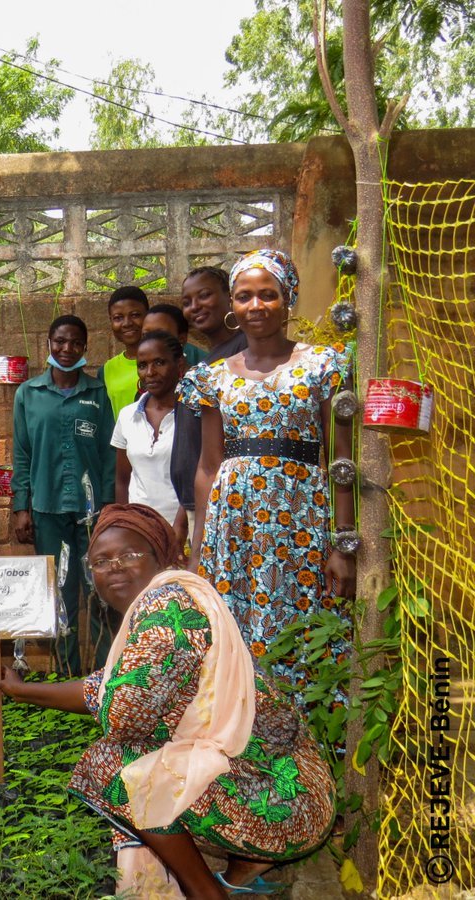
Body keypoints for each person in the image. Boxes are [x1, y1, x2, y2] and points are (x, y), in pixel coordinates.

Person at [0, 504, 336, 899]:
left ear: (161, 557)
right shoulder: (176, 597)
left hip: (287, 806)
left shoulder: (166, 610)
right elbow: (105, 688)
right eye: (101, 561)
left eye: (130, 555)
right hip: (291, 791)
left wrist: (109, 704)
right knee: (152, 754)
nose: (114, 567)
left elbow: (121, 712)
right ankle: (245, 866)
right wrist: (21, 690)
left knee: (114, 765)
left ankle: (205, 892)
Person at [182, 250, 355, 698]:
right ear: (232, 307)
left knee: (303, 626)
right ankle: (246, 741)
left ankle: (309, 747)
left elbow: (339, 459)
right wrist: (199, 549)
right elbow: (207, 465)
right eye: (244, 296)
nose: (255, 305)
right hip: (232, 525)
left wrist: (343, 541)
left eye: (267, 295)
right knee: (235, 631)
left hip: (300, 523)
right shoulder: (212, 376)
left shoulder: (322, 365)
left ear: (288, 300)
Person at [11, 315, 115, 675]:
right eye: (59, 341)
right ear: (49, 343)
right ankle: (66, 677)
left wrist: (110, 510)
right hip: (47, 510)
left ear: (85, 347)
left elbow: (108, 454)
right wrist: (21, 507)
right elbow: (22, 454)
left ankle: (102, 679)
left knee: (100, 593)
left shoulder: (98, 394)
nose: (66, 349)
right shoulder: (28, 394)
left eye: (74, 342)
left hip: (94, 516)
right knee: (59, 597)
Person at [171, 267, 249, 539]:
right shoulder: (207, 362)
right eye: (187, 302)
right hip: (199, 503)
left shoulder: (244, 352)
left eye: (204, 296)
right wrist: (184, 512)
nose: (195, 307)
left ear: (230, 296)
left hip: (227, 502)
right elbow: (194, 446)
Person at [111, 331, 187, 550]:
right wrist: (124, 524)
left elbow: (196, 479)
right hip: (140, 532)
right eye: (142, 365)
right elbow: (122, 480)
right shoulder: (127, 415)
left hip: (182, 531)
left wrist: (179, 528)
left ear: (179, 365)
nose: (150, 372)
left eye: (160, 363)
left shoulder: (193, 416)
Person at [101, 285, 149, 419]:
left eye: (135, 315)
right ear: (110, 321)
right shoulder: (106, 370)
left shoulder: (171, 358)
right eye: (118, 318)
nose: (127, 323)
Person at [143, 302, 208, 366]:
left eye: (160, 335)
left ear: (181, 338)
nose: (151, 340)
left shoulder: (206, 366)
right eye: (146, 335)